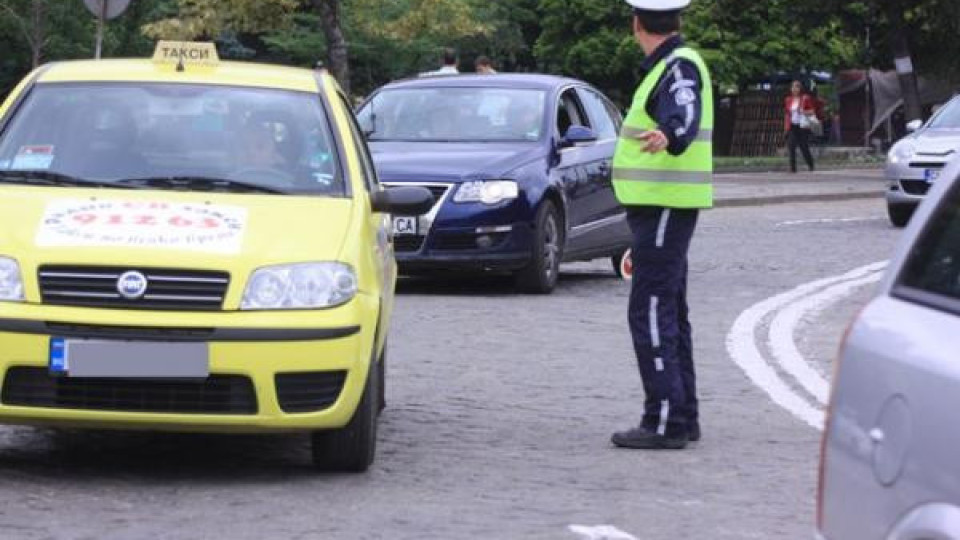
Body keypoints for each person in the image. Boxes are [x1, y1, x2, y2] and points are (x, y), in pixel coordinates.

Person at [610, 0, 714, 450]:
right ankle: (682, 415)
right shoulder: (671, 66)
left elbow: (683, 114)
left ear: (637, 24)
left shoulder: (677, 66)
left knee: (650, 309)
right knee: (669, 308)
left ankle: (664, 421)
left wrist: (671, 136)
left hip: (664, 205)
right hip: (661, 205)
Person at [784, 80, 815, 172]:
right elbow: (787, 114)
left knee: (804, 147)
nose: (794, 89)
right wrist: (786, 127)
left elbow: (812, 111)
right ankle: (793, 168)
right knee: (791, 146)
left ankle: (810, 164)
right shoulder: (788, 100)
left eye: (797, 87)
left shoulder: (805, 98)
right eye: (793, 87)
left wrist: (803, 111)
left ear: (800, 89)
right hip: (792, 126)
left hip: (802, 126)